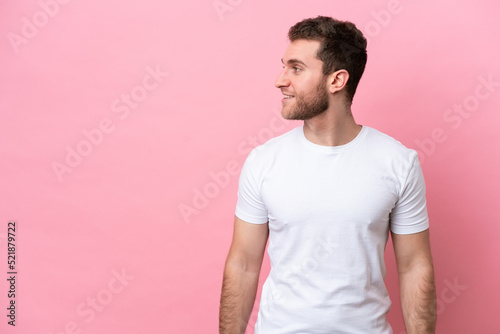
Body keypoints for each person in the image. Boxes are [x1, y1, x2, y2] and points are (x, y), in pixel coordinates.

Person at [219, 16, 436, 334]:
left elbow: (415, 266)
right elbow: (242, 265)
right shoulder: (263, 162)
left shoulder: (398, 162)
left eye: (296, 68)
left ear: (336, 81)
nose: (280, 80)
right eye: (284, 66)